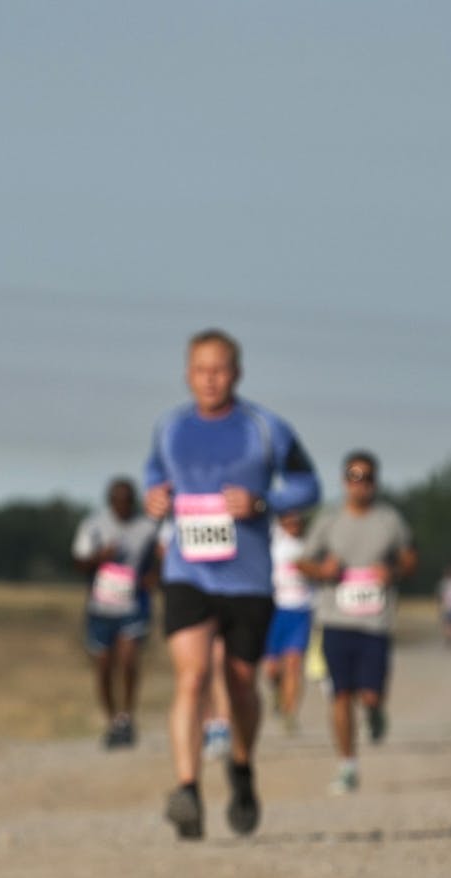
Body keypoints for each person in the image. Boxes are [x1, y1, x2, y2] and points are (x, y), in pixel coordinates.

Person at [143, 329, 320, 839]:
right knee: (192, 677)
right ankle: (188, 790)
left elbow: (308, 485)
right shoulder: (170, 427)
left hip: (247, 579)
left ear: (236, 374)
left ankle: (241, 770)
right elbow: (154, 476)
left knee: (240, 684)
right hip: (188, 572)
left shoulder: (266, 428)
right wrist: (155, 498)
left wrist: (264, 503)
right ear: (186, 374)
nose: (210, 379)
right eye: (201, 370)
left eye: (219, 370)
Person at [300, 451, 416, 795]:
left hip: (375, 623)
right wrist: (322, 570)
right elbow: (303, 561)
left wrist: (393, 571)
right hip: (335, 619)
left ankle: (376, 711)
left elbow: (410, 557)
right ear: (343, 480)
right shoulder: (329, 520)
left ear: (375, 482)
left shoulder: (389, 521)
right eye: (354, 476)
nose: (360, 484)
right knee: (340, 694)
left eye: (366, 477)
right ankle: (348, 765)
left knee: (369, 694)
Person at [71, 477, 160, 747]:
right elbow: (78, 561)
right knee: (104, 667)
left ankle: (126, 717)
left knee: (129, 661)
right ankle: (112, 721)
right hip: (100, 608)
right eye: (118, 501)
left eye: (127, 501)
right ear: (110, 502)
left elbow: (161, 558)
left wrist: (153, 577)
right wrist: (100, 557)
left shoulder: (147, 527)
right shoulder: (93, 525)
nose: (122, 506)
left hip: (132, 607)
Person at [262, 510, 315, 731]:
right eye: (288, 519)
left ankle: (290, 714)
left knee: (294, 664)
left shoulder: (311, 545)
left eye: (297, 519)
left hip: (301, 611)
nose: (293, 523)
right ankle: (277, 691)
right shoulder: (272, 541)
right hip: (274, 610)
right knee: (271, 669)